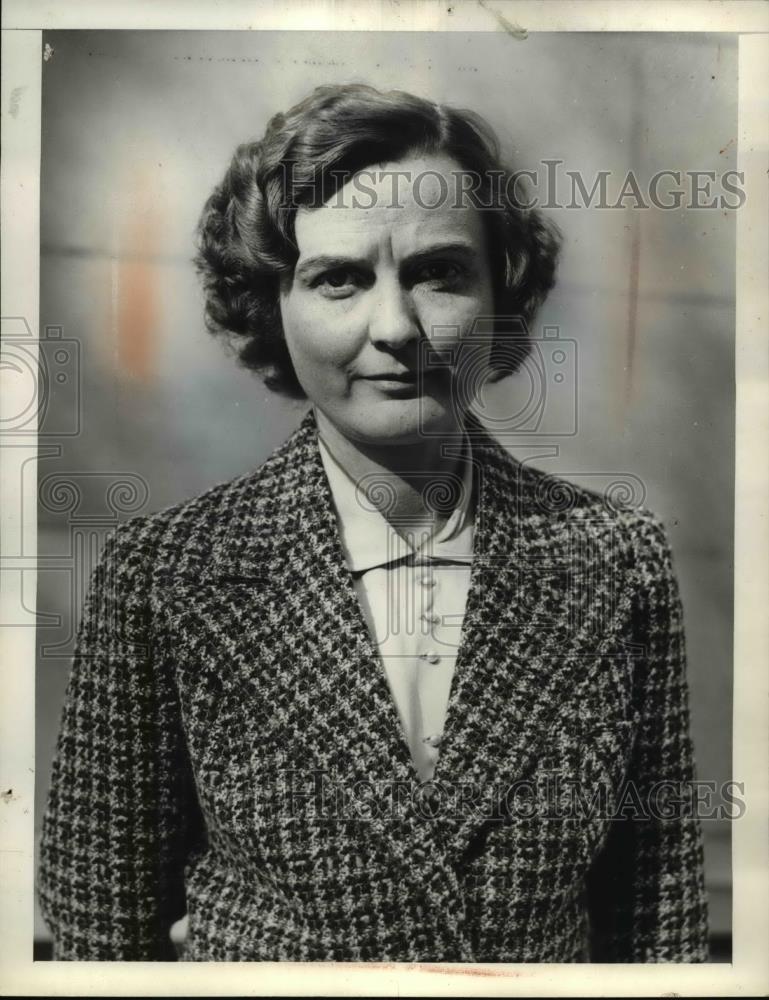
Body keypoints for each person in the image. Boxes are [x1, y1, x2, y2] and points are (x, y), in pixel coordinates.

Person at [38, 83, 709, 962]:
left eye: (438, 273)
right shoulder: (167, 572)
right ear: (270, 305)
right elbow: (101, 932)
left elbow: (657, 925)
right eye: (339, 279)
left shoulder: (613, 558)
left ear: (498, 293)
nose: (394, 327)